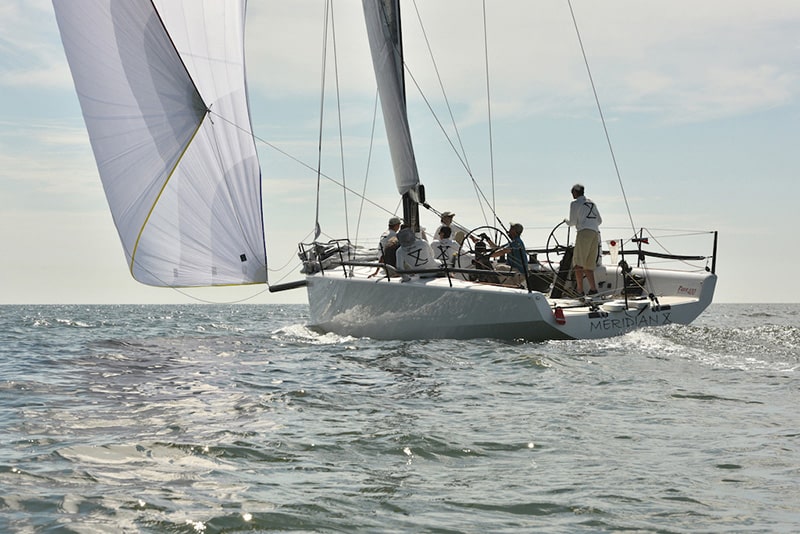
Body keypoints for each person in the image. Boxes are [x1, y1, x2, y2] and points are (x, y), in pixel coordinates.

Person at [565, 183, 602, 296]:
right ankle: (593, 289)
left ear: (575, 193)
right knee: (588, 265)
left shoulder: (575, 204)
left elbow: (572, 222)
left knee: (578, 264)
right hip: (595, 234)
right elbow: (599, 221)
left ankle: (579, 291)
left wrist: (566, 221)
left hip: (584, 233)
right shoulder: (592, 203)